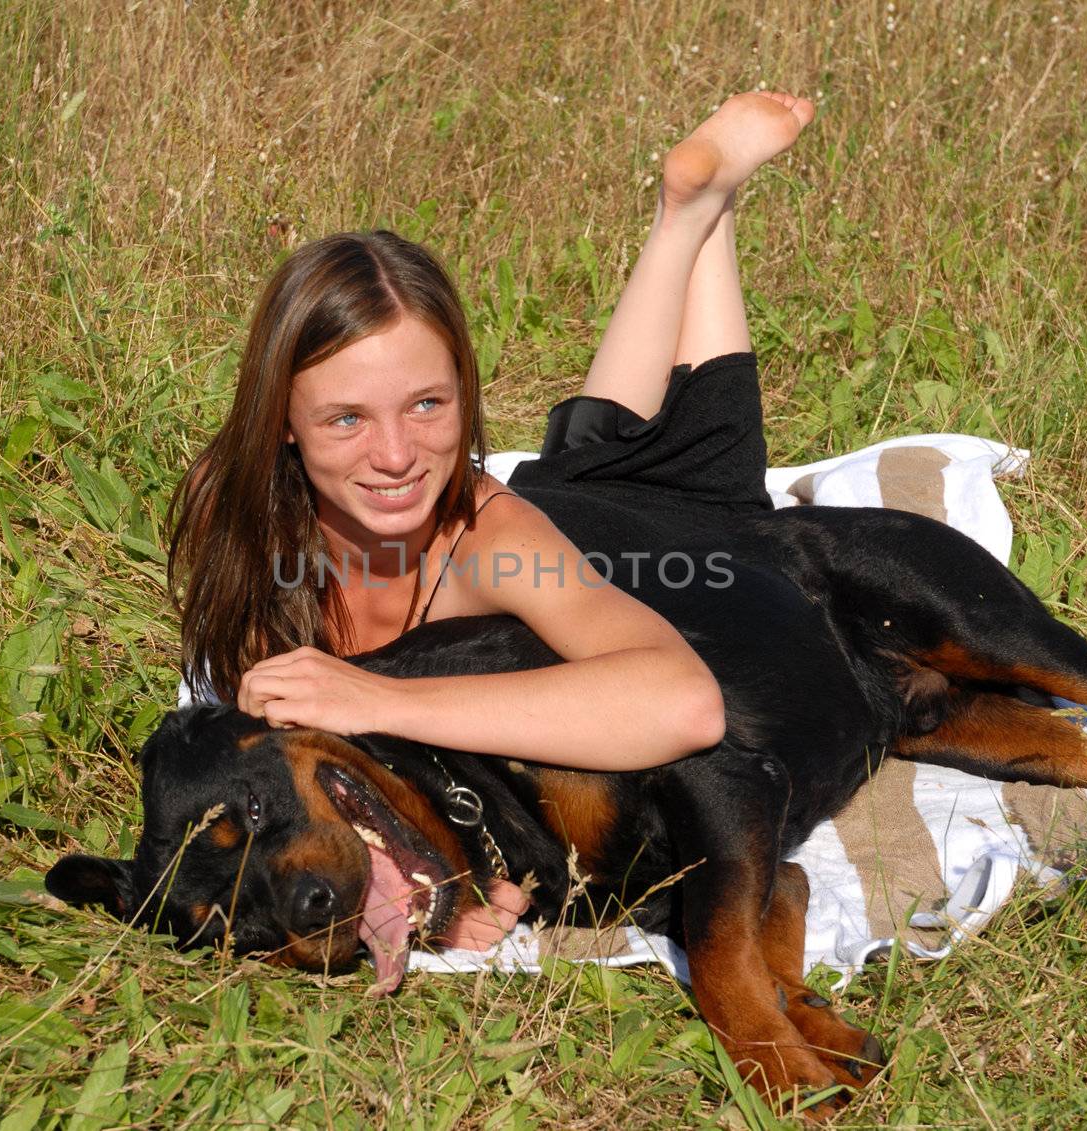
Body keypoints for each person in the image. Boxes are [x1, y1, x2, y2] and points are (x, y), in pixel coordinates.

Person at [168, 91, 817, 948]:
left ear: (466, 392)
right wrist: (434, 873)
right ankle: (686, 210)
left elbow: (687, 704)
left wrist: (381, 696)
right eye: (347, 419)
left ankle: (701, 210)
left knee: (713, 482)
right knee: (587, 452)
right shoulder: (238, 510)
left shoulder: (491, 539)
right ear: (280, 421)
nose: (397, 456)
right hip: (573, 494)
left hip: (656, 535)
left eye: (429, 404)